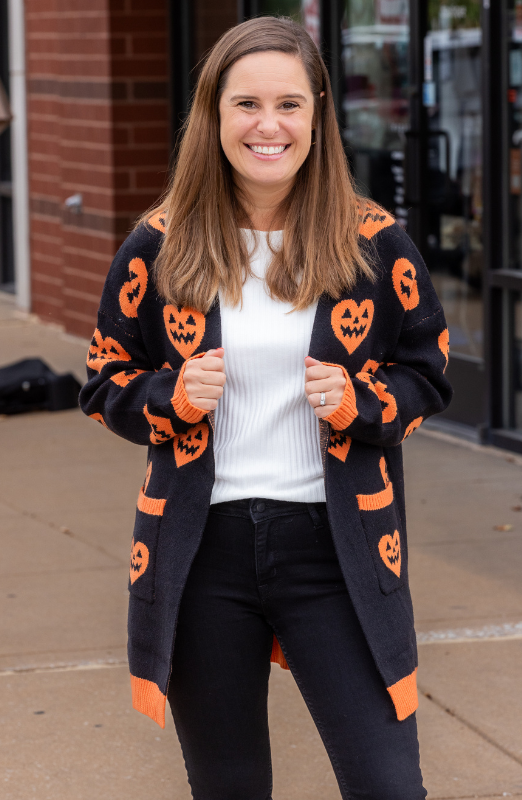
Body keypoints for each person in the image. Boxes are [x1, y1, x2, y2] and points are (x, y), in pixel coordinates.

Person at [80, 15, 452, 800]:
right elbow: (103, 379)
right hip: (201, 549)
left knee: (388, 785)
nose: (267, 125)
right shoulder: (159, 244)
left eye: (288, 104)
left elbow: (428, 371)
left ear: (317, 113)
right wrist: (169, 397)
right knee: (230, 787)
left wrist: (361, 403)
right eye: (245, 103)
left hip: (337, 547)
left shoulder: (373, 243)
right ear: (213, 114)